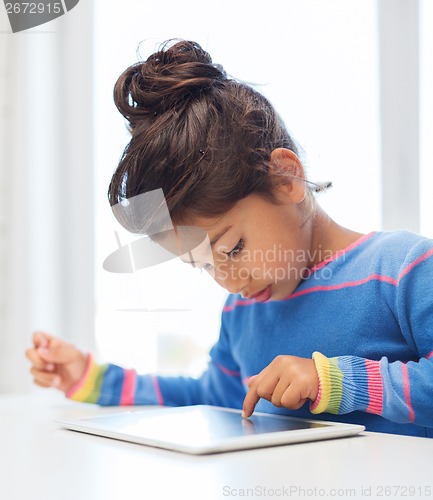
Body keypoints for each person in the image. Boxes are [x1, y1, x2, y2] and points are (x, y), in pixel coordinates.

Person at [26, 40, 433, 438]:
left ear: (285, 178)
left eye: (231, 248)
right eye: (202, 265)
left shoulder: (404, 270)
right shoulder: (241, 314)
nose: (227, 280)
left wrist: (338, 382)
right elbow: (212, 401)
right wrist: (93, 379)